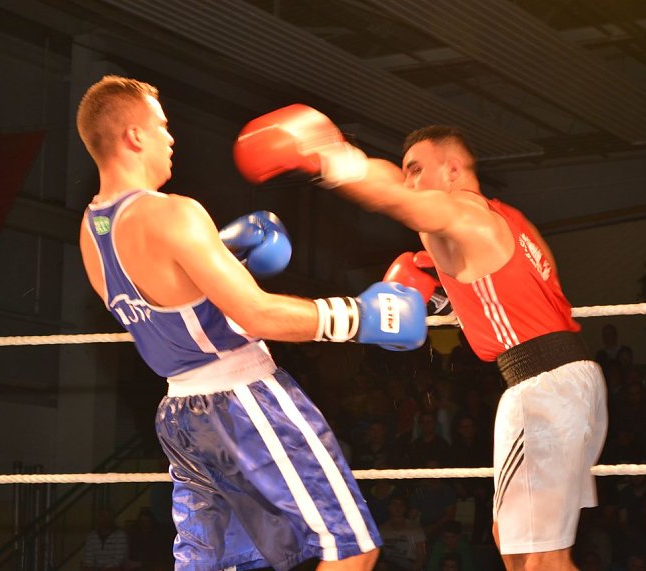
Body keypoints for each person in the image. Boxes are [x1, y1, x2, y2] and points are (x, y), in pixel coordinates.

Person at [76, 76, 429, 570]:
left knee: (219, 565)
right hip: (243, 401)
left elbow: (171, 308)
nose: (171, 138)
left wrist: (229, 263)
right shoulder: (173, 214)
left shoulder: (92, 232)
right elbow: (256, 314)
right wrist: (361, 315)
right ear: (134, 136)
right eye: (161, 126)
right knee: (350, 548)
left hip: (180, 415)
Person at [234, 106, 608, 570]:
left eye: (416, 170)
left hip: (542, 389)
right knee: (521, 544)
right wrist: (441, 296)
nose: (409, 182)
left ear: (453, 170)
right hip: (568, 381)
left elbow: (396, 200)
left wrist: (327, 156)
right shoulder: (506, 220)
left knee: (539, 558)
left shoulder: (461, 212)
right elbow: (513, 295)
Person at [81, 506, 130, 571]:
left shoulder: (120, 535)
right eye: (102, 516)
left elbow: (118, 560)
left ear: (112, 519)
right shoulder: (91, 536)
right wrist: (89, 567)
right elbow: (88, 558)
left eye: (108, 517)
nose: (105, 519)